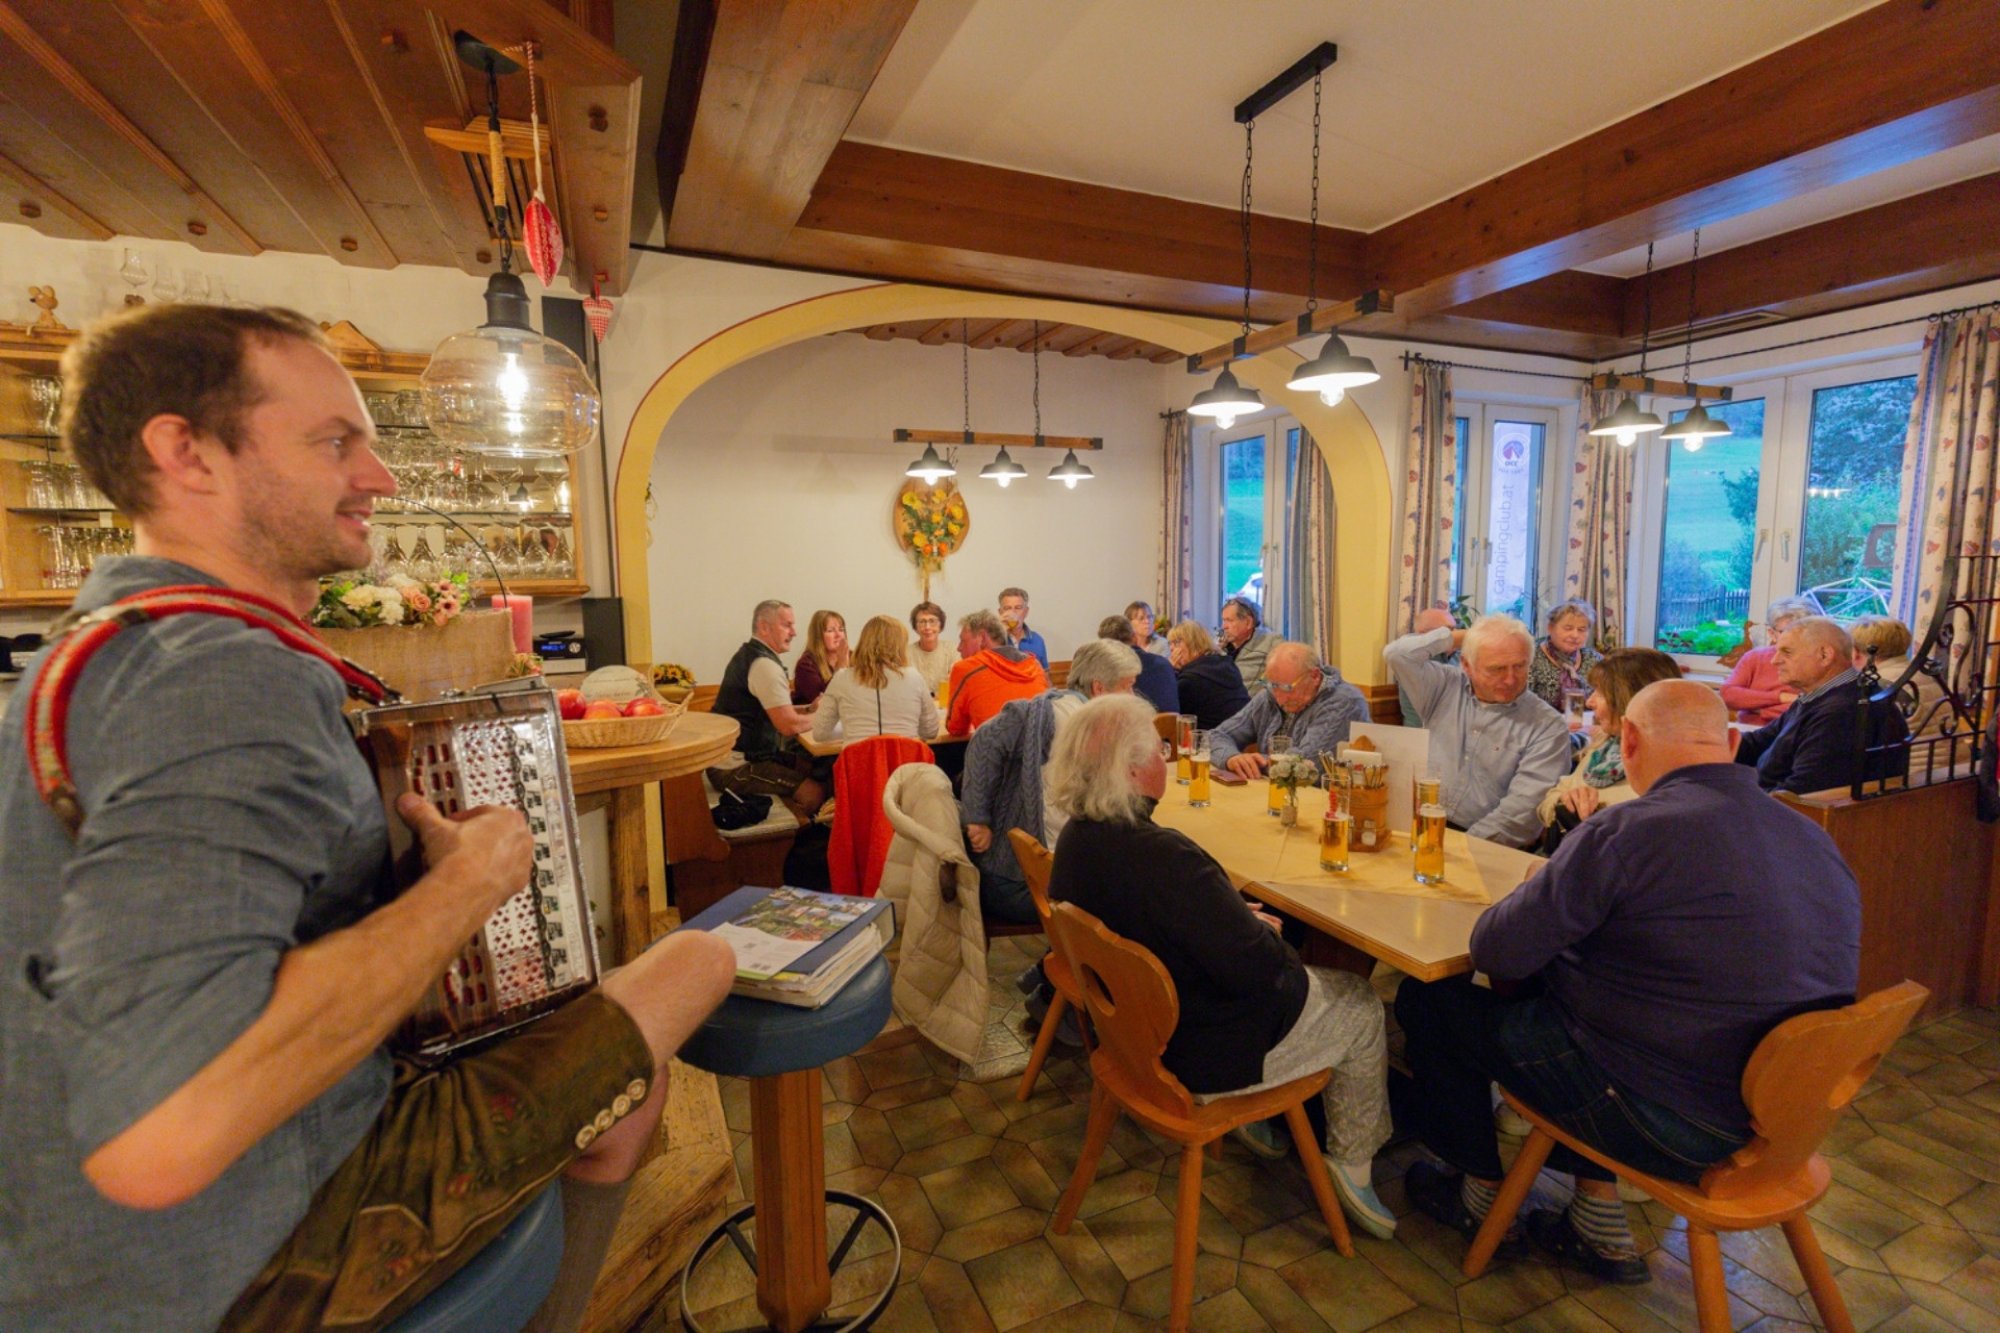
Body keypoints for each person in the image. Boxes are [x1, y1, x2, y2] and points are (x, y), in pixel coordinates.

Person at [0, 303, 738, 1331]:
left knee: (620, 1071)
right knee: (694, 961)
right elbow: (165, 1129)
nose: (380, 477)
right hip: (222, 1255)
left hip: (64, 1239)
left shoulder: (93, 653)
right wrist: (472, 880)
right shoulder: (218, 678)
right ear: (186, 453)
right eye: (334, 441)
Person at [1394, 681, 1860, 1284]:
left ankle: (1477, 1191)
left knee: (1433, 1000)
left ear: (1629, 740)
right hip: (1785, 1123)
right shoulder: (1811, 836)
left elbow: (1496, 950)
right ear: (1732, 742)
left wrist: (1537, 893)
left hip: (1671, 1123)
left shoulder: (1627, 830)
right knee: (1578, 1006)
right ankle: (1596, 1214)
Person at [1044, 695, 1396, 1239]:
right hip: (1202, 1057)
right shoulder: (1168, 858)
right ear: (1132, 771)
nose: (1166, 758)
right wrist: (1260, 931)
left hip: (1132, 1043)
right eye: (1159, 750)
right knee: (1360, 1001)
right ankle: (1353, 1164)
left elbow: (1162, 917)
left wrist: (1228, 914)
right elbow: (1260, 973)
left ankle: (1263, 1124)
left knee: (1272, 937)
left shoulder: (1077, 838)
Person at [961, 639, 1139, 926]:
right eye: (1127, 686)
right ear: (1099, 688)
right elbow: (984, 741)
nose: (1133, 696)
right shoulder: (1053, 716)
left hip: (1043, 873)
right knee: (1135, 899)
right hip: (1021, 883)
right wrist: (977, 818)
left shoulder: (1090, 722)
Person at [1384, 614, 1573, 848]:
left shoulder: (1548, 726)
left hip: (1488, 846)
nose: (1510, 679)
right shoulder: (1444, 686)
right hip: (1422, 826)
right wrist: (1462, 636)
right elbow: (1397, 654)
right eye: (1496, 669)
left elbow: (1519, 817)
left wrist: (1458, 848)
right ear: (1466, 665)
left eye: (1520, 666)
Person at [1736, 616, 1910, 794]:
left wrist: (1744, 799)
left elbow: (1804, 791)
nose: (1774, 660)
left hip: (1787, 807)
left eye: (1787, 652)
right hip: (1772, 797)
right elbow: (1758, 742)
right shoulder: (1822, 696)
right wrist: (1719, 741)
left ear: (1825, 655)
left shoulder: (1843, 711)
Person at [1535, 647, 1682, 851]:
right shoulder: (1606, 745)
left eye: (1601, 693)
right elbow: (1548, 802)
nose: (1589, 702)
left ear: (1628, 700)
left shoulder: (1664, 773)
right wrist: (1564, 801)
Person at [712, 600, 829, 812]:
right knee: (814, 792)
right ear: (764, 627)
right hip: (733, 767)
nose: (794, 632)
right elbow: (788, 726)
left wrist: (809, 709)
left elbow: (773, 711)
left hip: (748, 755)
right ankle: (799, 830)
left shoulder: (752, 655)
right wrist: (826, 718)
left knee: (813, 768)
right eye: (787, 625)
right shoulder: (764, 666)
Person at [1210, 641, 1370, 778]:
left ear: (1314, 676)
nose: (1280, 698)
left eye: (1287, 688)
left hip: (1323, 799)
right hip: (1275, 792)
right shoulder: (1270, 695)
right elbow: (1216, 736)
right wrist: (1231, 758)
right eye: (1273, 685)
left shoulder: (1344, 702)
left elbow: (1306, 766)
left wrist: (1252, 763)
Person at [813, 615, 940, 743]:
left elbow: (820, 733)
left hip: (858, 755)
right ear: (899, 646)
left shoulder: (841, 678)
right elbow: (930, 731)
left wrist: (852, 728)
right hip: (905, 755)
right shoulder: (914, 677)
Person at [945, 608, 1048, 735]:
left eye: (963, 641)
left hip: (995, 746)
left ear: (982, 638)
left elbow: (955, 728)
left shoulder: (965, 669)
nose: (959, 648)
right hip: (1041, 745)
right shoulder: (1035, 666)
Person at [1850, 614, 1952, 738]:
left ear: (1855, 652)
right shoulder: (1923, 674)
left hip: (1914, 751)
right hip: (1954, 749)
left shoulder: (1875, 686)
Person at [1720, 596, 1814, 725]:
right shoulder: (1754, 657)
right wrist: (1782, 697)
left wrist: (1758, 709)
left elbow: (1811, 710)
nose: (1796, 638)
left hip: (1795, 732)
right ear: (1772, 633)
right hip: (1750, 731)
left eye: (1803, 632)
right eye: (1787, 631)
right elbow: (1728, 695)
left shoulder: (1819, 661)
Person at [1167, 619, 1251, 729]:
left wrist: (1169, 671)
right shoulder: (1227, 664)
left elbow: (1168, 713)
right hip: (1246, 734)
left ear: (1194, 643)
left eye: (1177, 642)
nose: (1171, 648)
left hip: (1213, 737)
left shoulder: (1190, 680)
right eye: (1170, 643)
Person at [1526, 599, 1602, 718]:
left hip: (1586, 724)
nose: (1575, 635)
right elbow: (1523, 702)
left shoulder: (1594, 659)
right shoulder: (1530, 657)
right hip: (1540, 723)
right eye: (1568, 628)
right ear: (1550, 628)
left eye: (1581, 630)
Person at [1098, 614, 1179, 714]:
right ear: (1134, 637)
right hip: (1171, 722)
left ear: (1103, 644)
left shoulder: (1108, 670)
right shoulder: (1163, 663)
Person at [1397, 605, 1459, 727]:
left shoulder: (1459, 656)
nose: (1456, 634)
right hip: (1422, 733)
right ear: (1423, 635)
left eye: (1456, 628)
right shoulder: (1412, 660)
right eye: (1449, 630)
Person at [1219, 595, 1281, 691]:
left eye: (1229, 620)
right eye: (1223, 620)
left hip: (1250, 699)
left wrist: (1261, 685)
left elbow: (1281, 680)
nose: (1224, 626)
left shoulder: (1271, 642)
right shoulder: (1219, 649)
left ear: (1248, 622)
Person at [790, 608, 849, 708]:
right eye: (830, 631)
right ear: (818, 636)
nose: (838, 635)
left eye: (841, 630)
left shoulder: (854, 657)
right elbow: (823, 702)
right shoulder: (806, 665)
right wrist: (840, 668)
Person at [997, 586, 1049, 672]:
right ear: (1000, 612)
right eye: (1007, 608)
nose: (1013, 612)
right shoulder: (992, 640)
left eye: (1018, 608)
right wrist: (999, 632)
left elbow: (1045, 675)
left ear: (1026, 611)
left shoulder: (1037, 640)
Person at [908, 600, 953, 695]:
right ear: (915, 627)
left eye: (932, 621)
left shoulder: (952, 650)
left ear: (941, 625)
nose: (927, 627)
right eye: (922, 622)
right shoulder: (906, 653)